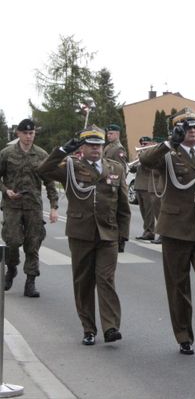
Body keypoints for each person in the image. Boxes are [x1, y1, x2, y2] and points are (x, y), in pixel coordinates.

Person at [139, 108, 195, 354]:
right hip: (175, 229)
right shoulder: (168, 154)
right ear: (178, 131)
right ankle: (184, 336)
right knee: (178, 285)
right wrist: (168, 143)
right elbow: (145, 161)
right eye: (188, 128)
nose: (193, 132)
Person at [38, 126, 130, 345]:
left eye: (98, 145)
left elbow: (123, 206)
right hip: (81, 233)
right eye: (90, 145)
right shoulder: (70, 167)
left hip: (108, 233)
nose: (95, 149)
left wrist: (123, 235)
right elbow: (43, 170)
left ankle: (110, 327)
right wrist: (61, 150)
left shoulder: (115, 168)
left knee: (106, 279)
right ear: (82, 147)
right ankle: (88, 328)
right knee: (83, 282)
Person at [0, 119, 59, 297]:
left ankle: (30, 282)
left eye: (31, 133)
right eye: (25, 133)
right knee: (12, 242)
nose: (28, 136)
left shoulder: (41, 155)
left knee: (33, 244)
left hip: (33, 206)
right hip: (12, 205)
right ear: (18, 133)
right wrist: (6, 190)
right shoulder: (7, 153)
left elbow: (49, 181)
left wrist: (54, 206)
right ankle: (11, 269)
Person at [132, 136, 156, 241]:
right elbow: (133, 169)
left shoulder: (152, 155)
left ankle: (150, 231)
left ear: (151, 144)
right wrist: (136, 160)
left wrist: (143, 159)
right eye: (142, 144)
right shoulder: (141, 155)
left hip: (147, 186)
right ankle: (146, 230)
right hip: (139, 185)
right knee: (143, 210)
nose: (143, 146)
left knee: (148, 211)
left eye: (145, 144)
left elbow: (150, 168)